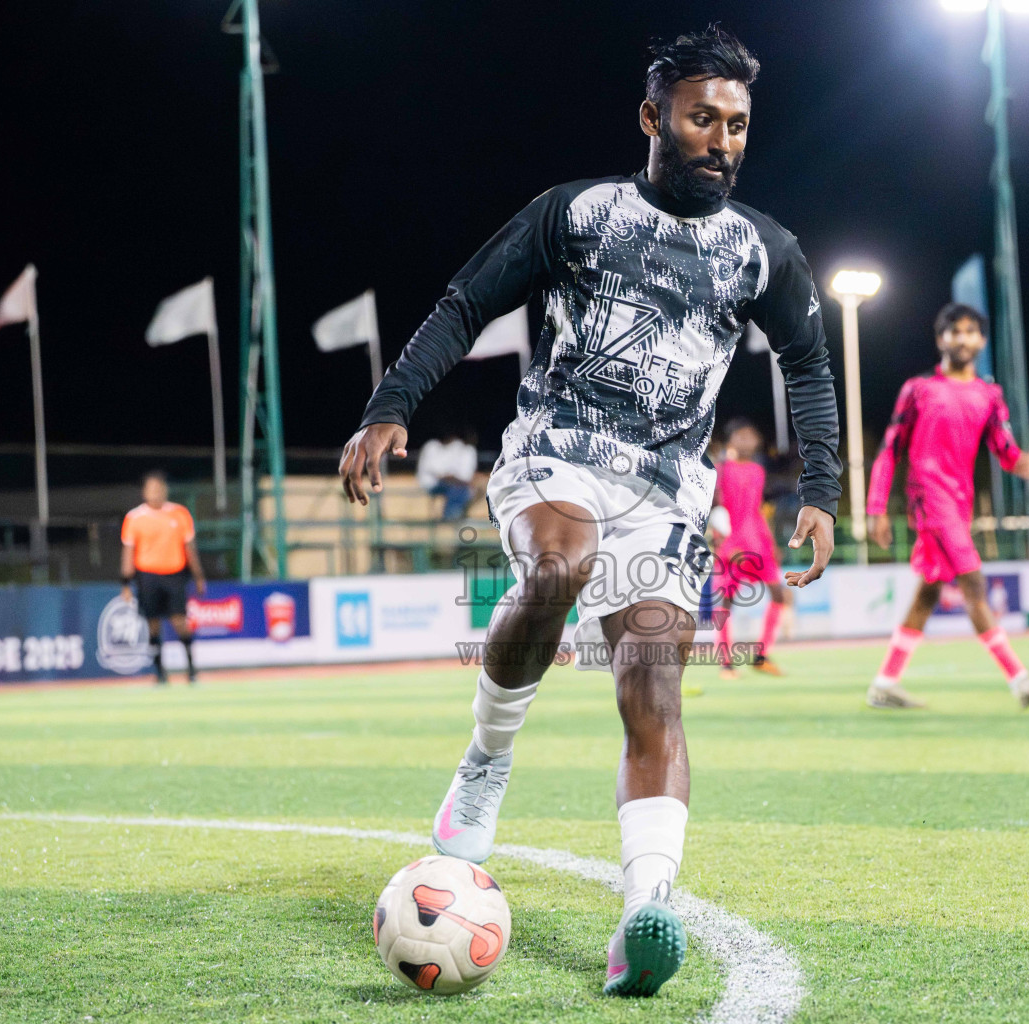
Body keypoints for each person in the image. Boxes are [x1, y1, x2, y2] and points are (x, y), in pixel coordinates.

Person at [338, 27, 840, 998]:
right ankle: (487, 759)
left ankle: (646, 908)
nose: (722, 140)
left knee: (654, 687)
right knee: (559, 566)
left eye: (737, 124)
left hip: (668, 488)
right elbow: (464, 303)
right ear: (653, 117)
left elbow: (809, 364)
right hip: (557, 451)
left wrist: (820, 490)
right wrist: (391, 406)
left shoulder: (763, 250)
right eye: (702, 118)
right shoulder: (575, 213)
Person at [863, 303, 1029, 710]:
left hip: (959, 502)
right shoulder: (918, 389)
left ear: (981, 340)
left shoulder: (990, 395)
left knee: (928, 594)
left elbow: (1003, 449)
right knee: (974, 583)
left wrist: (1022, 462)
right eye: (954, 331)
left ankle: (884, 684)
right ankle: (1019, 679)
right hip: (928, 497)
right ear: (940, 339)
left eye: (970, 331)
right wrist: (876, 507)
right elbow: (890, 449)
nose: (962, 338)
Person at [709, 419, 792, 679]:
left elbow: (756, 509)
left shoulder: (758, 471)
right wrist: (723, 544)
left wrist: (771, 542)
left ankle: (761, 656)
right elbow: (713, 510)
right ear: (730, 440)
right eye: (741, 435)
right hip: (731, 545)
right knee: (725, 601)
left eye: (751, 435)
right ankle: (725, 664)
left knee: (778, 595)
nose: (748, 440)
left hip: (758, 543)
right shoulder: (719, 470)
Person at [119, 471, 207, 685]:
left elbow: (190, 548)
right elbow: (128, 552)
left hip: (174, 574)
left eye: (159, 488)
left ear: (165, 490)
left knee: (180, 621)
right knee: (153, 624)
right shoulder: (134, 517)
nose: (155, 492)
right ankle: (160, 672)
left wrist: (198, 576)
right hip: (147, 576)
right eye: (151, 488)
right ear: (144, 492)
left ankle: (191, 670)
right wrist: (125, 583)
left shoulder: (179, 514)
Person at [416, 427, 480, 521]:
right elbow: (439, 474)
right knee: (457, 489)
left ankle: (458, 514)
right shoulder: (432, 447)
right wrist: (458, 480)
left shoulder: (453, 448)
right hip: (431, 483)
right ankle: (449, 517)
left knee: (470, 489)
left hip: (445, 482)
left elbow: (451, 472)